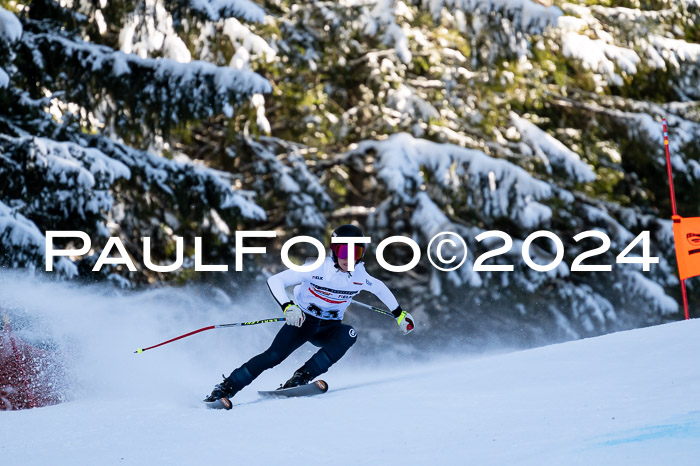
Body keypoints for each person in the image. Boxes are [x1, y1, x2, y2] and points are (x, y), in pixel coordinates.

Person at [204, 224, 415, 405]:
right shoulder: (316, 268)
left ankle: (301, 378)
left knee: (349, 334)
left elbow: (379, 289)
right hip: (303, 321)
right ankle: (225, 388)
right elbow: (275, 281)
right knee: (274, 357)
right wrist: (288, 307)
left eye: (356, 253)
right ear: (334, 250)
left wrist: (399, 314)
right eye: (343, 252)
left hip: (330, 327)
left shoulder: (360, 276)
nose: (348, 259)